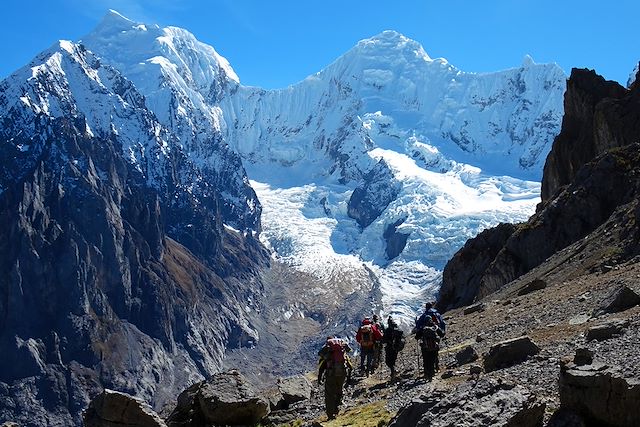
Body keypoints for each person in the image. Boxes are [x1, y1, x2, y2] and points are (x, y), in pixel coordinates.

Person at [318, 336, 353, 419]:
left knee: (329, 394)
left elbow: (320, 356)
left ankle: (330, 415)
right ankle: (336, 409)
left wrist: (320, 377)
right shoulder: (342, 344)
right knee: (339, 391)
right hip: (342, 372)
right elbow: (350, 351)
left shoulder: (327, 345)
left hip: (331, 373)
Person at [414, 315, 443, 379]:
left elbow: (416, 337)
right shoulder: (435, 327)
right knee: (433, 359)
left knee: (426, 360)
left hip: (425, 347)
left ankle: (426, 373)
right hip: (434, 346)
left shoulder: (423, 328)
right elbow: (442, 334)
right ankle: (433, 372)